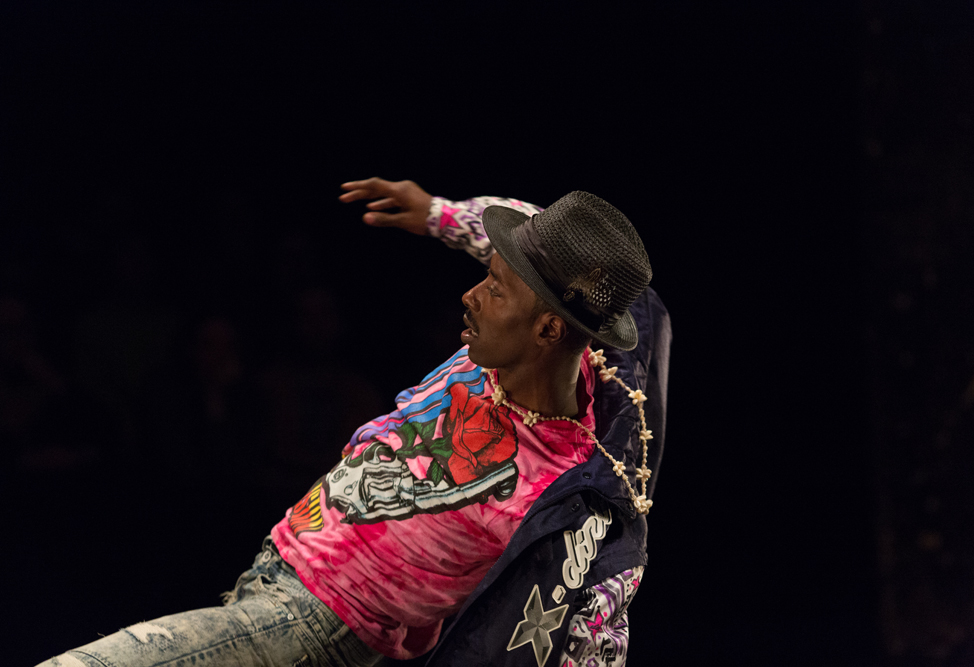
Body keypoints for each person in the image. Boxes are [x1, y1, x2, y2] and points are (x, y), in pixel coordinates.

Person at [37, 178, 671, 667]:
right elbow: (538, 231)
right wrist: (437, 214)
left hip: (312, 626)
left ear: (550, 329)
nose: (471, 295)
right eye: (488, 275)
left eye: (496, 289)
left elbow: (592, 630)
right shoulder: (508, 346)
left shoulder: (560, 491)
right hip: (282, 570)